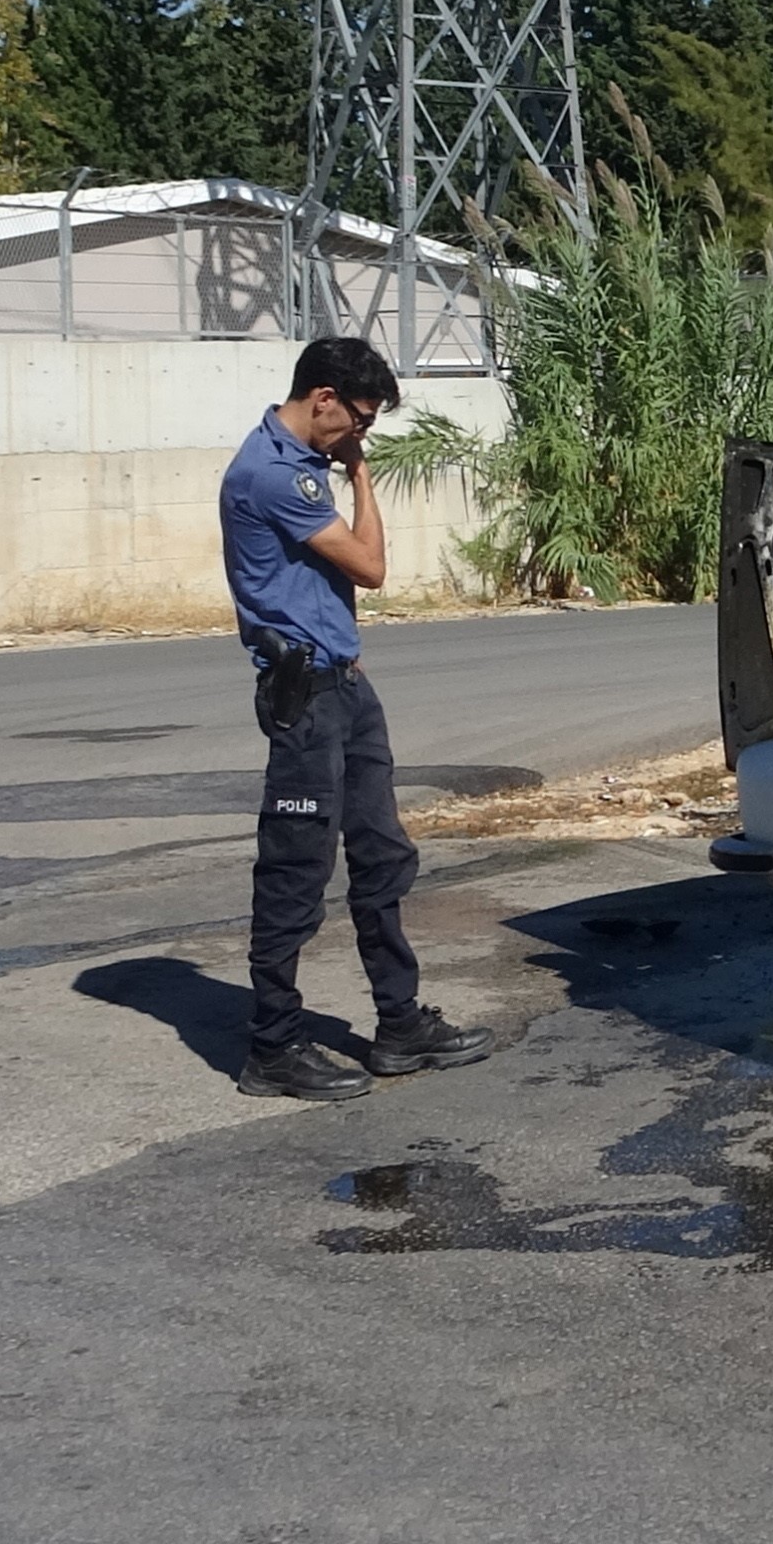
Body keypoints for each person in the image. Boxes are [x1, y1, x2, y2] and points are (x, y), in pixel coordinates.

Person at [219, 337, 495, 1102]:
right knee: (295, 868)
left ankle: (399, 1023)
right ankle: (273, 1046)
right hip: (304, 698)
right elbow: (371, 567)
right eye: (359, 420)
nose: (359, 435)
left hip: (343, 684)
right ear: (323, 399)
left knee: (380, 853)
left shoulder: (304, 465)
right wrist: (362, 475)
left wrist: (353, 466)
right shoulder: (272, 472)